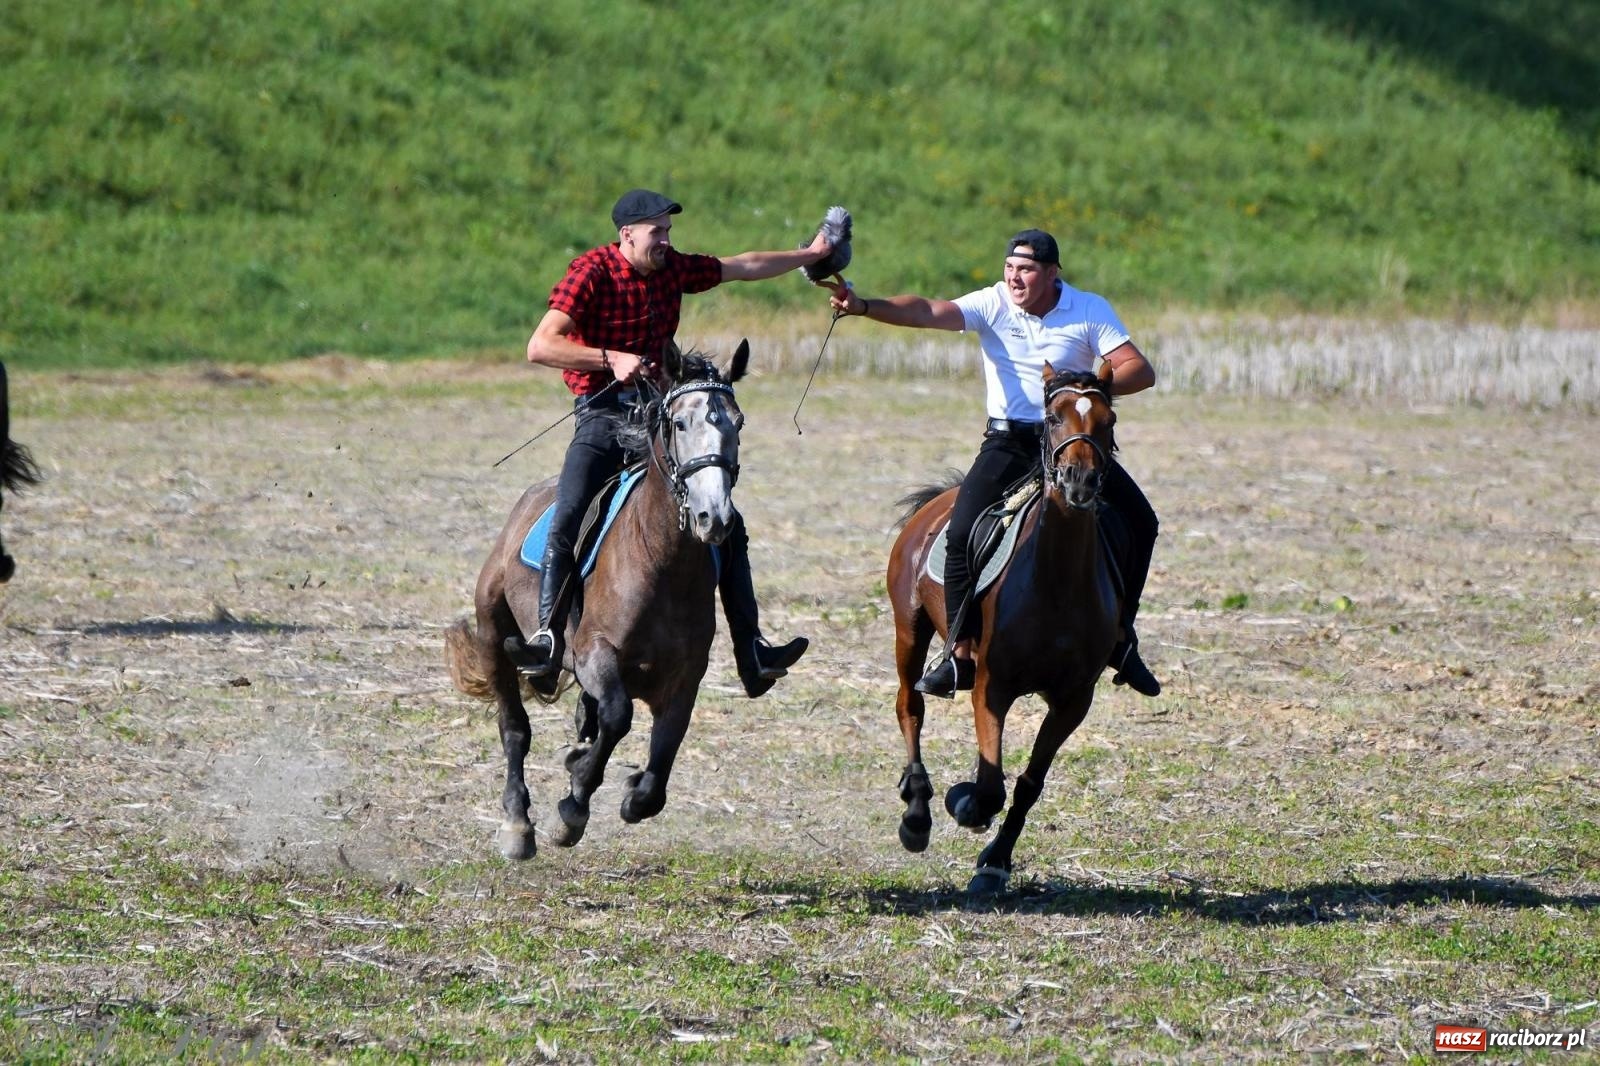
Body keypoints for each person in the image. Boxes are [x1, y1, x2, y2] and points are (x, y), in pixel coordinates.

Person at [505, 188, 834, 698]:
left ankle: (752, 650)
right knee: (569, 510)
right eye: (657, 231)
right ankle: (548, 638)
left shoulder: (673, 269)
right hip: (602, 415)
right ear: (627, 235)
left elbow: (741, 266)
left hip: (663, 420)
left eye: (668, 231)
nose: (665, 240)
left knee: (730, 523)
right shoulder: (590, 272)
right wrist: (609, 357)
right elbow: (540, 344)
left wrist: (809, 256)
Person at [822, 228, 1162, 699]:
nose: (1014, 278)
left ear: (1051, 274)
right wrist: (863, 306)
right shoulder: (993, 302)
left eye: (1025, 270)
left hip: (1069, 442)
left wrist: (1081, 392)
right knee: (960, 531)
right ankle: (959, 652)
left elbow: (1138, 370)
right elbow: (926, 310)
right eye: (1009, 268)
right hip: (1010, 442)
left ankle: (1122, 640)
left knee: (1142, 522)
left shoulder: (1088, 309)